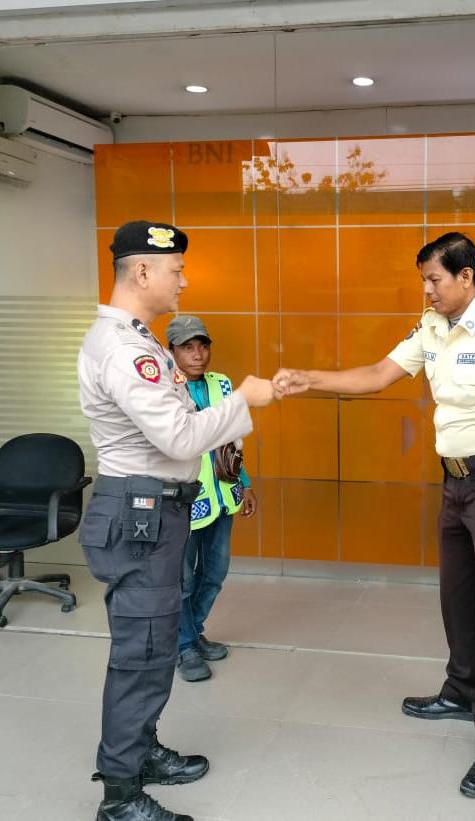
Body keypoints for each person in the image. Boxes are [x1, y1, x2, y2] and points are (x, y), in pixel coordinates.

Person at [275, 232, 475, 798]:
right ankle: (461, 690)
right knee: (456, 596)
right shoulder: (432, 328)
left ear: (466, 276)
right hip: (456, 480)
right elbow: (377, 375)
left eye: (434, 279)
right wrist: (309, 379)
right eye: (424, 281)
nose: (427, 290)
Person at [77, 220, 282, 821]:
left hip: (153, 510)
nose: (183, 281)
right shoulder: (125, 350)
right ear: (142, 271)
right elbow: (179, 436)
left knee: (155, 641)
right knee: (142, 651)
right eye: (176, 270)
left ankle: (139, 752)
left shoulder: (137, 340)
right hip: (140, 511)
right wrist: (243, 399)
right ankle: (120, 797)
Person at [165, 314, 257, 683]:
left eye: (202, 345)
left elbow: (233, 441)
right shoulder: (163, 391)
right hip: (184, 501)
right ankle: (184, 646)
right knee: (182, 580)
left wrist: (245, 484)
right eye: (187, 347)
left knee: (215, 573)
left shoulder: (222, 384)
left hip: (223, 497)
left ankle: (192, 632)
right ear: (171, 352)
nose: (198, 354)